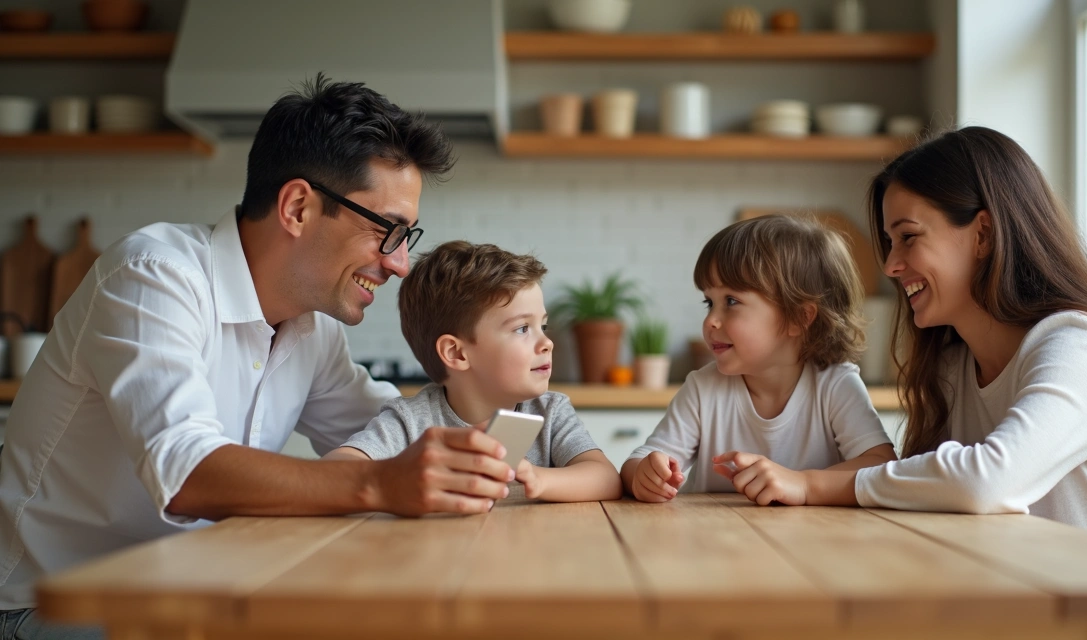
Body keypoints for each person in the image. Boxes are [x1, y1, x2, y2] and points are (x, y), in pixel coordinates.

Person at [0, 75, 518, 638]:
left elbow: (398, 433)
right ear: (297, 207)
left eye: (405, 238)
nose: (398, 265)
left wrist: (585, 465)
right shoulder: (154, 276)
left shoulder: (309, 331)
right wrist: (381, 484)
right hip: (52, 605)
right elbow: (186, 472)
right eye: (386, 231)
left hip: (194, 590)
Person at [798, 126, 1087, 551]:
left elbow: (988, 481)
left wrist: (816, 485)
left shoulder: (1080, 344)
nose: (890, 265)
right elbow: (932, 496)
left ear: (983, 234)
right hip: (1015, 602)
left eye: (908, 237)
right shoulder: (953, 365)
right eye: (890, 242)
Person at [621, 215, 896, 504]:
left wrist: (803, 483)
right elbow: (637, 462)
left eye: (731, 301)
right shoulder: (703, 388)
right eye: (709, 302)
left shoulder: (836, 386)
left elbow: (880, 465)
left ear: (799, 318)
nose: (711, 320)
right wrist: (643, 474)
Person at [324, 241, 621, 502]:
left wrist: (539, 479)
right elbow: (337, 469)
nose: (547, 343)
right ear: (457, 353)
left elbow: (606, 478)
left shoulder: (551, 412)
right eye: (522, 329)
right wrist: (395, 478)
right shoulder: (410, 422)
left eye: (542, 326)